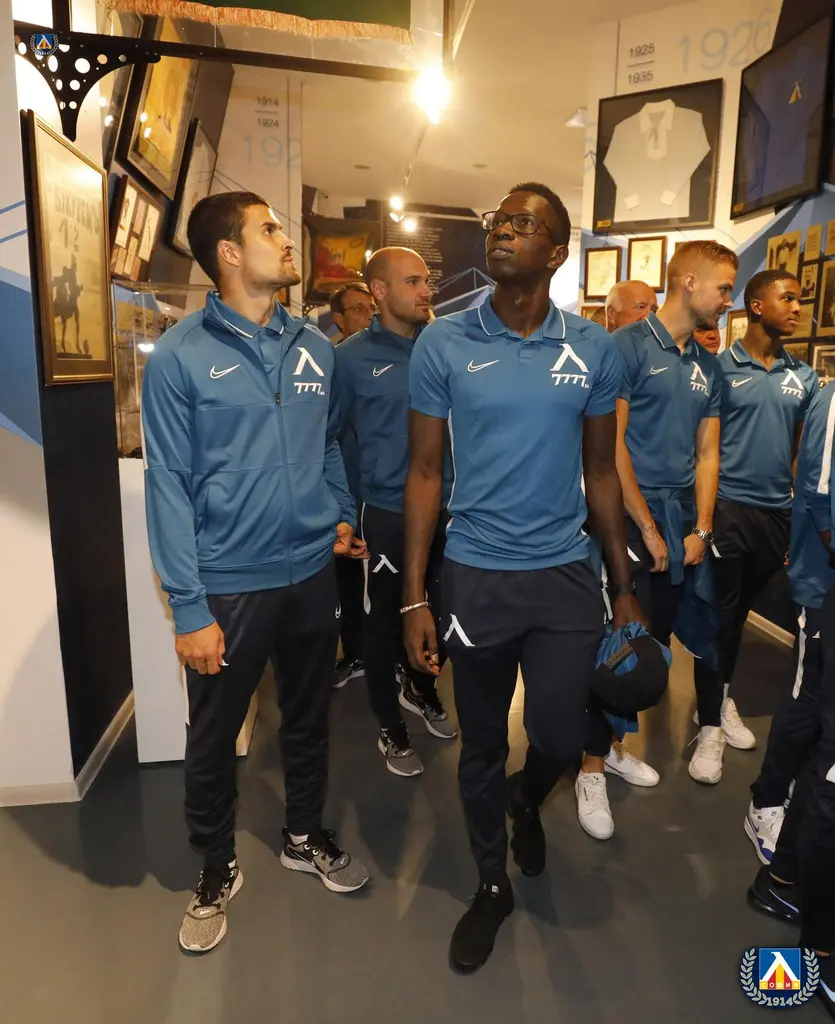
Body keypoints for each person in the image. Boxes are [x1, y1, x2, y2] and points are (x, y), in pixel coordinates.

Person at [402, 182, 644, 973]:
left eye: (523, 222)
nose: (502, 231)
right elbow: (424, 473)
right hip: (475, 575)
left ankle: (524, 797)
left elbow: (601, 474)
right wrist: (412, 595)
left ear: (556, 251)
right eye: (497, 220)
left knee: (559, 735)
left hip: (564, 576)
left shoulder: (592, 349)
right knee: (479, 743)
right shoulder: (442, 343)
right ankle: (490, 884)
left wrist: (623, 586)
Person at [141, 191, 370, 956]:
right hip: (227, 583)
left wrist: (338, 509)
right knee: (213, 736)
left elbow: (328, 440)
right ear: (230, 253)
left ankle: (302, 834)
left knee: (307, 718)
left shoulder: (314, 347)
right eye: (269, 228)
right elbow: (168, 485)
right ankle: (215, 866)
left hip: (309, 574)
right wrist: (188, 607)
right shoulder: (180, 356)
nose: (286, 238)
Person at [613, 240, 736, 785]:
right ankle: (599, 754)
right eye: (723, 288)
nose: (728, 299)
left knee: (665, 636)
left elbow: (708, 454)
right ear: (689, 282)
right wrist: (645, 526)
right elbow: (611, 446)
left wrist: (701, 530)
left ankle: (696, 728)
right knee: (619, 639)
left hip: (683, 518)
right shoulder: (627, 347)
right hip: (627, 518)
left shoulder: (709, 367)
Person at [332, 248, 456, 777]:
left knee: (444, 614)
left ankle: (420, 686)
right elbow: (331, 438)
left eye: (427, 280)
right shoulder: (348, 359)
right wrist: (344, 511)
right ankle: (390, 723)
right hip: (383, 512)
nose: (426, 290)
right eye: (412, 281)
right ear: (379, 291)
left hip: (450, 510)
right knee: (382, 623)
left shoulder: (447, 346)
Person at [693, 270, 816, 780]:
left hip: (776, 515)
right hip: (727, 510)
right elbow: (704, 448)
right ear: (758, 306)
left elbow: (799, 454)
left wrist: (797, 517)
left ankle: (720, 698)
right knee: (717, 618)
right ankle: (709, 726)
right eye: (788, 298)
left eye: (799, 300)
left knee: (739, 616)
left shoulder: (803, 377)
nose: (797, 308)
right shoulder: (719, 368)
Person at [745, 379, 835, 874]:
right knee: (805, 700)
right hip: (820, 587)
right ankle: (766, 801)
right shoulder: (833, 399)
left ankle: (801, 796)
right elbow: (820, 498)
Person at [328, 283, 376, 689]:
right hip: (344, 486)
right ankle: (355, 651)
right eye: (358, 309)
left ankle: (387, 655)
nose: (368, 315)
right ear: (339, 319)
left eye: (371, 308)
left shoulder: (393, 358)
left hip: (383, 489)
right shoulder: (329, 363)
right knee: (346, 578)